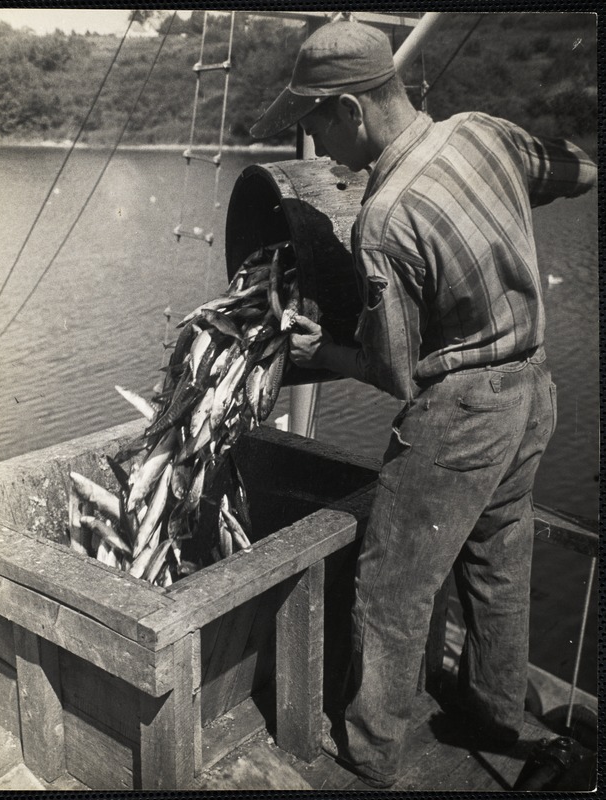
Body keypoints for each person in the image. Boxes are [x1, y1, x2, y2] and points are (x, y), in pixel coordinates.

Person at [251, 19, 597, 789]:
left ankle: (369, 754)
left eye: (315, 125)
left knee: (392, 587)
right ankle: (495, 712)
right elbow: (578, 172)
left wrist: (316, 352)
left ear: (352, 108)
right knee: (498, 564)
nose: (316, 147)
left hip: (463, 412)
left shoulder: (385, 218)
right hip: (532, 389)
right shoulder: (485, 134)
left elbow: (395, 371)